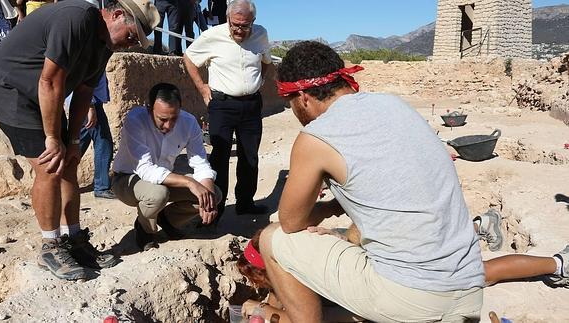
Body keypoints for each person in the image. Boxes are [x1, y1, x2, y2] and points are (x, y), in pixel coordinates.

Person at [255, 40, 484, 322]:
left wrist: (327, 208)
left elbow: (290, 222)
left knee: (272, 237)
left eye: (291, 104)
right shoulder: (395, 105)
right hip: (471, 291)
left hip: (414, 297)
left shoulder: (316, 137)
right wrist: (338, 211)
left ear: (303, 97)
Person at [0, 0, 160, 281]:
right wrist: (51, 138)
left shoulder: (105, 44)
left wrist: (72, 140)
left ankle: (74, 239)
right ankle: (51, 246)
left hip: (43, 95)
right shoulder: (76, 19)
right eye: (131, 36)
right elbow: (50, 81)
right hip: (11, 90)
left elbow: (84, 92)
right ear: (117, 15)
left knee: (68, 162)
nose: (130, 45)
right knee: (50, 167)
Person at [238, 222, 569, 322]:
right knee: (477, 272)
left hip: (393, 283)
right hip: (398, 259)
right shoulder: (312, 243)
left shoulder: (293, 277)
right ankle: (558, 263)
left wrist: (261, 309)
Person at [184, 0, 272, 221]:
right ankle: (217, 209)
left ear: (253, 22)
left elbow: (267, 60)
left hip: (251, 105)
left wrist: (260, 80)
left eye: (245, 25)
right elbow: (189, 58)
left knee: (250, 157)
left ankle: (245, 203)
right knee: (219, 158)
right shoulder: (213, 35)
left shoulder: (260, 34)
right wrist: (203, 88)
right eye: (235, 25)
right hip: (222, 106)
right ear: (228, 19)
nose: (239, 30)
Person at [112, 83, 221, 251]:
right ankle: (144, 230)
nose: (169, 125)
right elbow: (146, 170)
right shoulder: (135, 120)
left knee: (214, 194)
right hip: (127, 179)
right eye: (162, 119)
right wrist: (190, 182)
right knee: (157, 194)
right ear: (149, 109)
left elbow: (200, 164)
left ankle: (167, 219)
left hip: (164, 179)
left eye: (174, 118)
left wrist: (208, 199)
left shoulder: (189, 122)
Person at [79, 73, 116, 199]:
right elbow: (83, 77)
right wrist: (90, 104)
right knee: (103, 143)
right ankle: (101, 187)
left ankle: (59, 176)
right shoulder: (88, 54)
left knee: (79, 141)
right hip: (89, 102)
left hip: (89, 102)